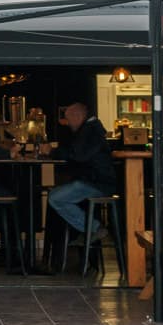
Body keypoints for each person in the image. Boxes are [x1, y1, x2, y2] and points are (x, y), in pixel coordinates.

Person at [45, 100, 117, 235]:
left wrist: (52, 151)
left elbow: (77, 155)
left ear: (77, 116)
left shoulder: (90, 131)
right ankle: (88, 231)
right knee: (56, 194)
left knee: (55, 198)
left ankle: (94, 229)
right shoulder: (91, 129)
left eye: (68, 119)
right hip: (97, 180)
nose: (67, 123)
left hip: (98, 183)